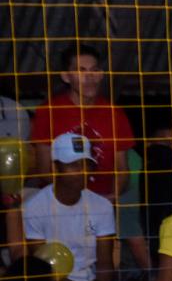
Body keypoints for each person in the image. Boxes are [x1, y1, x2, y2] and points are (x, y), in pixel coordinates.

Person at [22, 133, 115, 281]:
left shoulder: (102, 206)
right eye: (73, 165)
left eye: (86, 165)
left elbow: (105, 261)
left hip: (92, 279)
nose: (81, 172)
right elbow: (42, 265)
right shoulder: (36, 207)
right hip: (56, 280)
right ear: (56, 168)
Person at [29, 45, 135, 197]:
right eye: (81, 70)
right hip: (60, 201)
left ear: (101, 74)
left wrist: (111, 198)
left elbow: (122, 169)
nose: (89, 76)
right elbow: (44, 170)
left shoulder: (114, 113)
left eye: (94, 70)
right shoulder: (48, 112)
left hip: (102, 200)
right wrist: (75, 199)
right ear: (66, 76)